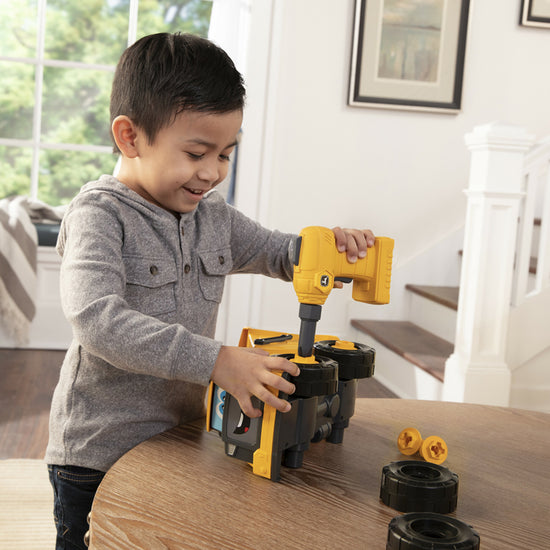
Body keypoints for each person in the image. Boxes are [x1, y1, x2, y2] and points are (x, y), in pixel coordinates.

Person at [45, 32, 375, 550]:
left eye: (225, 153)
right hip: (97, 452)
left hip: (178, 438)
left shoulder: (212, 217)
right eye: (197, 152)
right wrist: (215, 360)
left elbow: (279, 251)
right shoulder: (100, 216)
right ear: (130, 137)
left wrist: (328, 246)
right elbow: (96, 320)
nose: (213, 172)